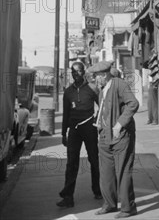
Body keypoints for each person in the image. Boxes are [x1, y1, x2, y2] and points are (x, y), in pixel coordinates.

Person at [88, 60, 139, 218]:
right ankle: (109, 204)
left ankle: (127, 208)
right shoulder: (103, 88)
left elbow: (133, 104)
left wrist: (119, 125)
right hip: (105, 136)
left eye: (96, 76)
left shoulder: (119, 84)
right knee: (106, 173)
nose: (95, 79)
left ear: (104, 75)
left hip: (121, 136)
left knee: (123, 171)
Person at [57, 61, 101, 208]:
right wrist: (64, 133)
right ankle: (68, 197)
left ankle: (98, 190)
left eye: (79, 71)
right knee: (71, 163)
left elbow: (102, 107)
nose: (76, 74)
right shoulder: (68, 92)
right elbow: (66, 114)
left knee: (94, 160)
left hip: (89, 128)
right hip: (74, 130)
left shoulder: (92, 89)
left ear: (84, 72)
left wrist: (97, 120)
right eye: (73, 72)